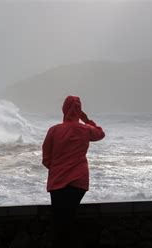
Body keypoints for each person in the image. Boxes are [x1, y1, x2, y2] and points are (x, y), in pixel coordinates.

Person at [42, 96, 105, 248]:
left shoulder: (54, 130)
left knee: (60, 222)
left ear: (64, 109)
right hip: (79, 182)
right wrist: (86, 119)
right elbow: (100, 134)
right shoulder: (86, 130)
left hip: (58, 182)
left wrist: (58, 168)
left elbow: (46, 158)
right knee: (69, 218)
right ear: (79, 110)